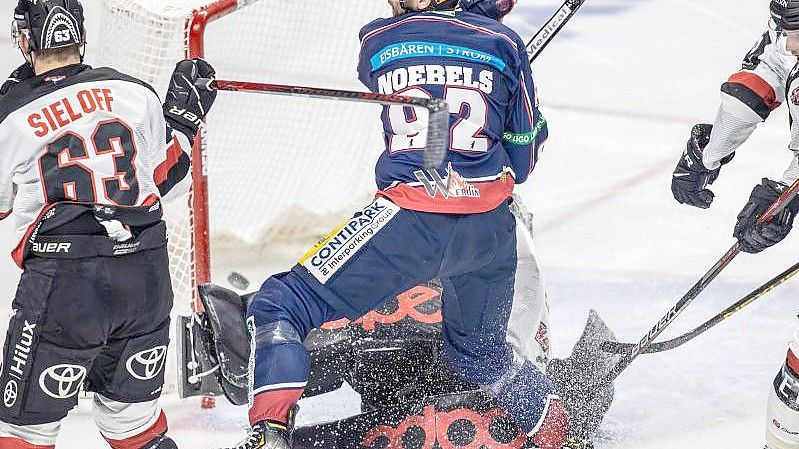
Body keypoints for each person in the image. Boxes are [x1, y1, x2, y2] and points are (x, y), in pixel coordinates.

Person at [221, 0, 586, 448]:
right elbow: (523, 159)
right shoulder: (504, 43)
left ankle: (270, 435)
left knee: (281, 303)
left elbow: (414, 57)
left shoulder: (376, 41)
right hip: (489, 233)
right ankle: (556, 426)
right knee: (481, 354)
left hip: (411, 223)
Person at [0, 1, 216, 448]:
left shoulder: (10, 117)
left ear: (24, 41)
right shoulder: (131, 92)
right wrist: (184, 123)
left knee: (23, 429)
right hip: (147, 275)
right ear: (80, 36)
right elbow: (168, 185)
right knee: (133, 424)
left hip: (66, 286)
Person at [670, 1, 799, 448]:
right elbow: (769, 69)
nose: (792, 42)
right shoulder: (789, 32)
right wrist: (706, 155)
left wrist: (785, 198)